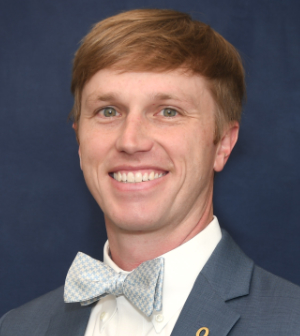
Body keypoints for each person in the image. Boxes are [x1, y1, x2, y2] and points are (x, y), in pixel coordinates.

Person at [1, 8, 300, 336]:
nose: (131, 141)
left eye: (168, 111)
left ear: (222, 145)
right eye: (108, 111)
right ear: (80, 142)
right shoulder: (17, 327)